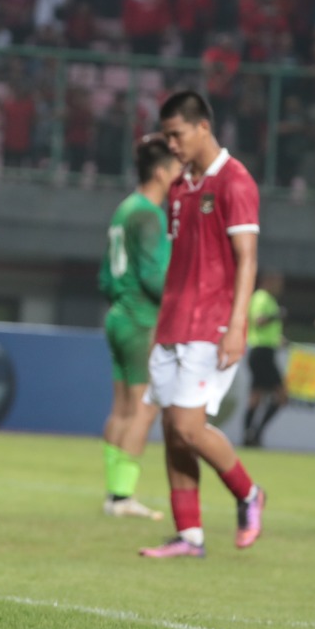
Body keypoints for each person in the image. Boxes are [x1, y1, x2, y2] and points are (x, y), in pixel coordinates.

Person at [137, 90, 266, 560]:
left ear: (203, 128)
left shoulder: (235, 182)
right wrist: (159, 325)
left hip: (211, 324)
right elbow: (180, 264)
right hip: (173, 323)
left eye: (177, 134)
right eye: (166, 136)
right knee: (172, 430)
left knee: (190, 428)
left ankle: (249, 493)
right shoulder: (179, 188)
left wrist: (237, 326)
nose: (171, 144)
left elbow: (247, 259)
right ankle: (188, 534)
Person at [97, 133, 181, 520]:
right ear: (163, 172)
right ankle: (121, 496)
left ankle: (114, 492)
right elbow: (153, 277)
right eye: (178, 167)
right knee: (144, 407)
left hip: (117, 314)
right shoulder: (149, 213)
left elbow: (105, 274)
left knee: (121, 407)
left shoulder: (124, 208)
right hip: (141, 318)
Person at [242, 271, 287, 448]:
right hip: (261, 352)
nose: (280, 287)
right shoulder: (261, 297)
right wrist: (277, 315)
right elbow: (259, 320)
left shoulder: (267, 299)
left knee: (256, 396)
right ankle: (255, 433)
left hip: (264, 351)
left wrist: (279, 339)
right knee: (281, 396)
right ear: (269, 281)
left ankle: (250, 436)